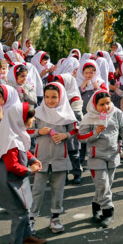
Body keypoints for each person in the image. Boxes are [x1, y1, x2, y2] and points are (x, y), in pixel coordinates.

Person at [0, 86, 45, 244]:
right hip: (11, 183)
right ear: (21, 118)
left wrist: (33, 158)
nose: (33, 121)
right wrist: (30, 169)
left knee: (25, 208)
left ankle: (26, 236)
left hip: (16, 181)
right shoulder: (11, 141)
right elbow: (12, 165)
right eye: (30, 118)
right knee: (19, 214)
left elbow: (24, 150)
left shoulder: (14, 133)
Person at [78, 90, 123, 227]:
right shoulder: (89, 118)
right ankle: (108, 211)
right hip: (96, 156)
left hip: (113, 154)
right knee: (103, 184)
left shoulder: (117, 113)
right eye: (101, 104)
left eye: (108, 103)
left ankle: (96, 206)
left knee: (107, 184)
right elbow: (81, 137)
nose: (105, 107)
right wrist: (95, 132)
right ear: (94, 105)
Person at [30, 82, 78, 234]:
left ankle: (55, 217)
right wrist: (39, 131)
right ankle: (30, 219)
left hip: (59, 159)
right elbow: (27, 130)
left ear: (61, 97)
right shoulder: (37, 113)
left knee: (58, 190)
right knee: (37, 189)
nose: (50, 100)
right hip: (40, 159)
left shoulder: (68, 114)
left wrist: (65, 135)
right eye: (47, 97)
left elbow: (75, 130)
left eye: (54, 97)